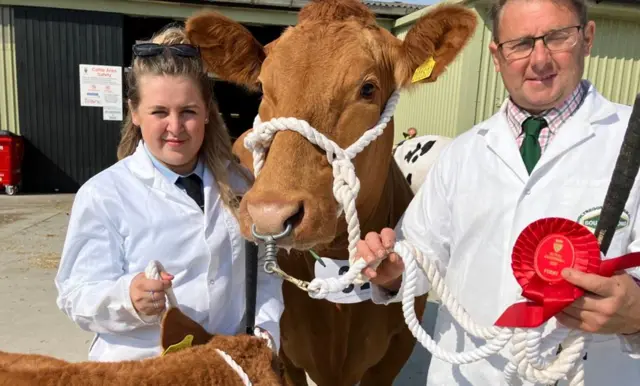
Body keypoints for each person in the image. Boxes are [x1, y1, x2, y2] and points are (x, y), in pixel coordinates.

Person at [360, 0, 640, 384]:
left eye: (557, 37)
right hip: (467, 375)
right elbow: (421, 257)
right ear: (497, 55)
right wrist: (392, 269)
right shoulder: (460, 154)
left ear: (587, 38)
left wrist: (637, 314)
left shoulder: (632, 143)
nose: (539, 59)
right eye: (521, 44)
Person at [54, 25, 283, 362]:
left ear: (206, 111)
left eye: (188, 111)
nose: (175, 127)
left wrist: (265, 334)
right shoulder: (103, 194)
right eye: (159, 112)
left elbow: (265, 273)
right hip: (139, 370)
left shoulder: (239, 184)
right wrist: (127, 298)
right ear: (135, 113)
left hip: (223, 367)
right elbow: (76, 294)